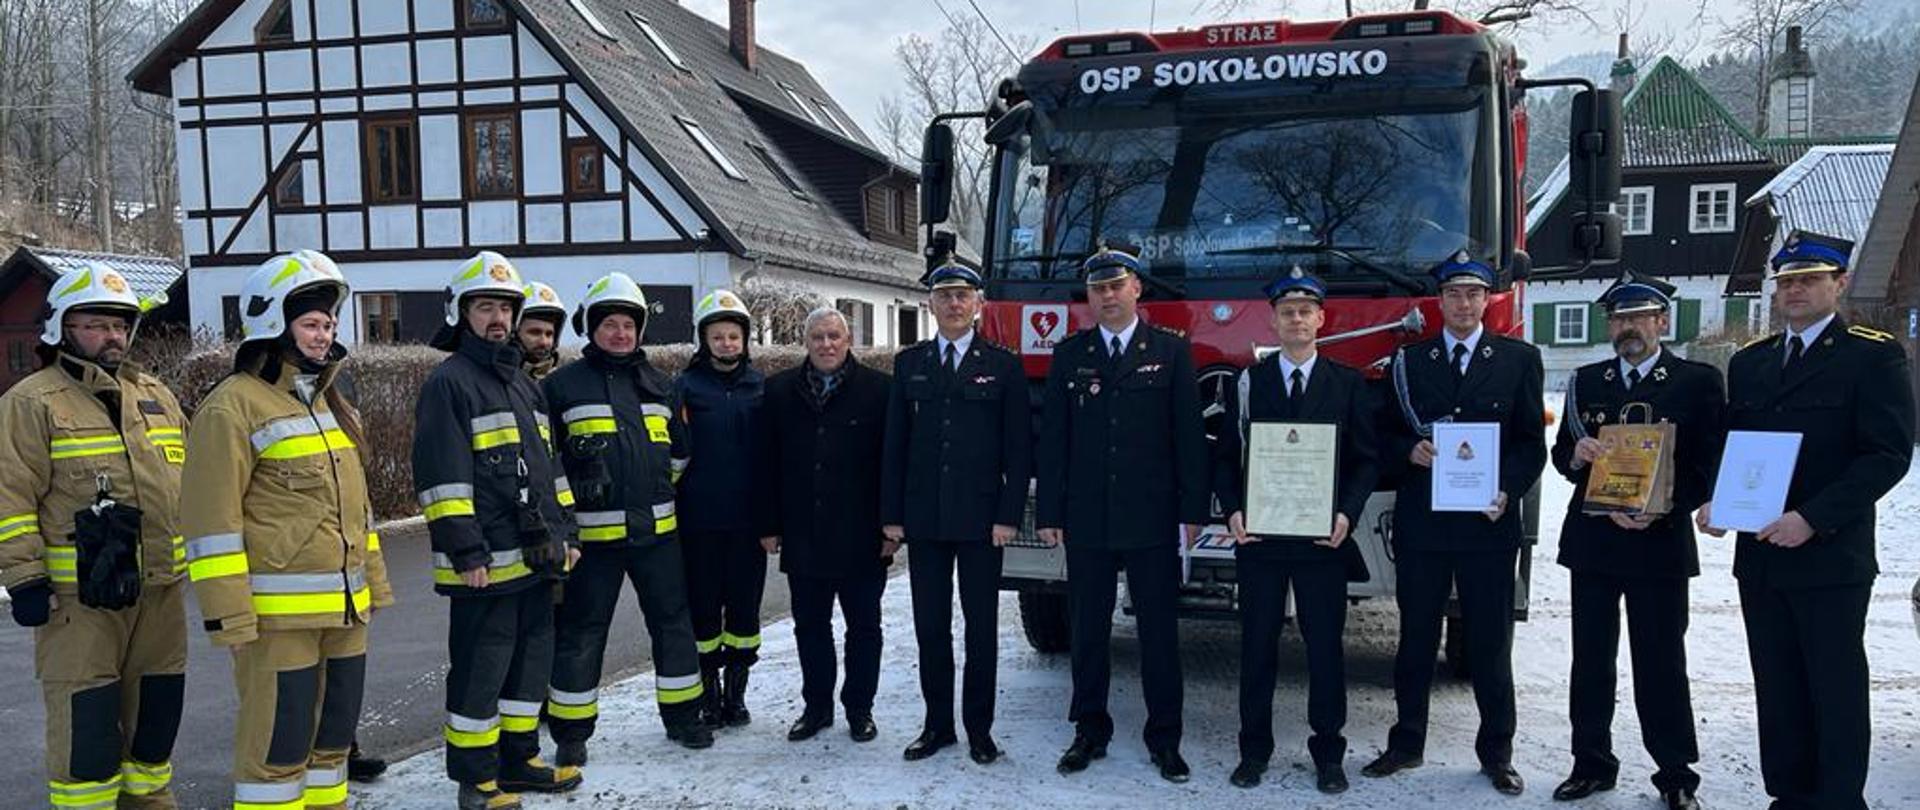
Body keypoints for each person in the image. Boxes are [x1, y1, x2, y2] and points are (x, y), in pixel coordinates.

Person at [1698, 231, 1915, 810]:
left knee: (1835, 687)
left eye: (1809, 279)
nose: (1794, 291)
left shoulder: (1872, 355)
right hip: (1762, 559)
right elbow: (1735, 446)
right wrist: (1718, 501)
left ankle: (1839, 800)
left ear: (1837, 285)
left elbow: (1888, 454)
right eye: (1786, 281)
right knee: (1778, 685)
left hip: (1829, 556)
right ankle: (1789, 795)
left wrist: (1812, 518)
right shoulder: (1751, 363)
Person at [181, 250, 395, 809]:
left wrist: (374, 584)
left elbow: (357, 510)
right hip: (277, 622)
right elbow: (211, 522)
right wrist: (229, 614)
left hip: (346, 611)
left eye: (328, 324)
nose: (324, 336)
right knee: (276, 754)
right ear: (274, 325)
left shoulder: (328, 405)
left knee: (330, 749)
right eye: (311, 324)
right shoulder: (232, 409)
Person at [0, 263, 188, 809]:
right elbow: (10, 496)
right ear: (62, 328)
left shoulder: (154, 396)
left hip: (160, 595)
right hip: (79, 604)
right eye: (96, 324)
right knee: (89, 741)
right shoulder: (32, 402)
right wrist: (26, 578)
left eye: (120, 325)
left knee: (154, 735)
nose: (113, 336)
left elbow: (189, 483)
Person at [1364, 252, 1545, 796]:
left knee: (1490, 645)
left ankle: (1497, 753)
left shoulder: (1518, 360)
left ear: (1488, 300)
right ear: (1439, 301)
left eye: (1473, 294)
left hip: (1488, 527)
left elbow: (1530, 443)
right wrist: (1408, 451)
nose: (1463, 304)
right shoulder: (1410, 363)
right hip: (1425, 524)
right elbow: (1382, 435)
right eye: (1453, 295)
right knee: (1415, 639)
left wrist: (1508, 488)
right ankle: (1405, 743)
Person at [413, 252, 580, 810]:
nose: (498, 319)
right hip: (485, 560)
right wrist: (465, 549)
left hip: (535, 557)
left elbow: (549, 467)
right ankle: (475, 779)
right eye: (486, 307)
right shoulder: (450, 383)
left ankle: (520, 759)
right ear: (461, 313)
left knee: (530, 663)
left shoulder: (522, 383)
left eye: (506, 308)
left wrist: (567, 533)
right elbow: (443, 476)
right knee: (481, 671)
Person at [1550, 271, 1723, 810]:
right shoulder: (1586, 381)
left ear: (1661, 322)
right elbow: (1562, 459)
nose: (1630, 328)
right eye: (1621, 319)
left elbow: (1708, 464)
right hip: (1595, 543)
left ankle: (1675, 774)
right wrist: (1574, 458)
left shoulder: (1696, 382)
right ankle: (1591, 763)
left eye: (1640, 317)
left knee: (1661, 662)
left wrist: (1665, 504)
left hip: (1660, 543)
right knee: (1591, 661)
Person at [1036, 247, 1208, 783]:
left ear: (1137, 289)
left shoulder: (1171, 353)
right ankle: (1090, 729)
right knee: (1088, 631)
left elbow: (1187, 437)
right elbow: (1054, 442)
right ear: (1089, 296)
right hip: (1088, 516)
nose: (1108, 296)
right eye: (1098, 289)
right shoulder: (1070, 355)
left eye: (1117, 286)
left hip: (1151, 517)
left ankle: (1165, 738)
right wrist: (1050, 510)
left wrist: (1192, 509)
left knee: (1158, 632)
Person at [1213, 267, 1379, 794]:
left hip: (1320, 540)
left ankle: (1329, 753)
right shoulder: (1248, 382)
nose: (1297, 320)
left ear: (1321, 320)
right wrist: (1234, 510)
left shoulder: (1347, 384)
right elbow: (1226, 456)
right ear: (1275, 320)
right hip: (1260, 539)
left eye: (1306, 311)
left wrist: (1346, 515)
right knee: (1257, 647)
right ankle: (1253, 750)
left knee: (1325, 649)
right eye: (1288, 312)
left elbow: (1367, 461)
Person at [544, 272, 711, 756]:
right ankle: (571, 736)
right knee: (580, 634)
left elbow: (680, 455)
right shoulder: (561, 387)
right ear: (591, 328)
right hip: (593, 544)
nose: (620, 333)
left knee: (674, 627)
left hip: (658, 538)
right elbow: (548, 463)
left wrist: (656, 491)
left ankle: (684, 718)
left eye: (628, 324)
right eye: (610, 323)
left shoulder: (661, 386)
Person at [881, 261, 1031, 765]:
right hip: (924, 519)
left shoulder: (1004, 365)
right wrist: (892, 514)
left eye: (963, 295)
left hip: (982, 521)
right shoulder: (910, 364)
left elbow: (1018, 449)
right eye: (944, 295)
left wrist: (1009, 515)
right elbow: (894, 446)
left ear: (978, 305)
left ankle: (979, 729)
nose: (953, 304)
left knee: (981, 629)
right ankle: (937, 725)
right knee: (930, 628)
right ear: (930, 304)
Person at [756, 307, 893, 744]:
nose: (827, 344)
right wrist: (768, 524)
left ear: (848, 339)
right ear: (806, 342)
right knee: (810, 627)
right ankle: (816, 708)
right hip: (804, 533)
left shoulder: (879, 391)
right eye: (818, 337)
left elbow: (893, 465)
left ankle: (860, 709)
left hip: (863, 537)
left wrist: (893, 530)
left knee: (865, 629)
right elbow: (766, 463)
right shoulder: (778, 391)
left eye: (834, 336)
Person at [676, 289, 768, 728]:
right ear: (704, 340)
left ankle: (737, 694)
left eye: (734, 335)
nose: (727, 343)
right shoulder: (685, 387)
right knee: (704, 611)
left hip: (749, 523)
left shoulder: (760, 386)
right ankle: (708, 694)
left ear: (744, 340)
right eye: (718, 336)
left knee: (745, 613)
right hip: (700, 522)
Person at [516, 281, 565, 382]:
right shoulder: (494, 380)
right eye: (534, 333)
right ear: (514, 334)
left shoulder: (564, 382)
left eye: (549, 334)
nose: (544, 342)